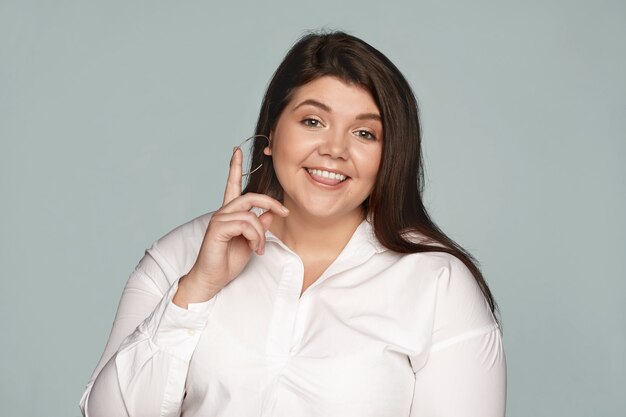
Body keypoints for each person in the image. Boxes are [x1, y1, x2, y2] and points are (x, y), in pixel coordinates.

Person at [80, 31, 506, 417]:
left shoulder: (438, 283)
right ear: (272, 133)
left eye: (364, 134)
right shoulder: (180, 254)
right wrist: (196, 289)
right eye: (313, 122)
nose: (335, 149)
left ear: (390, 155)